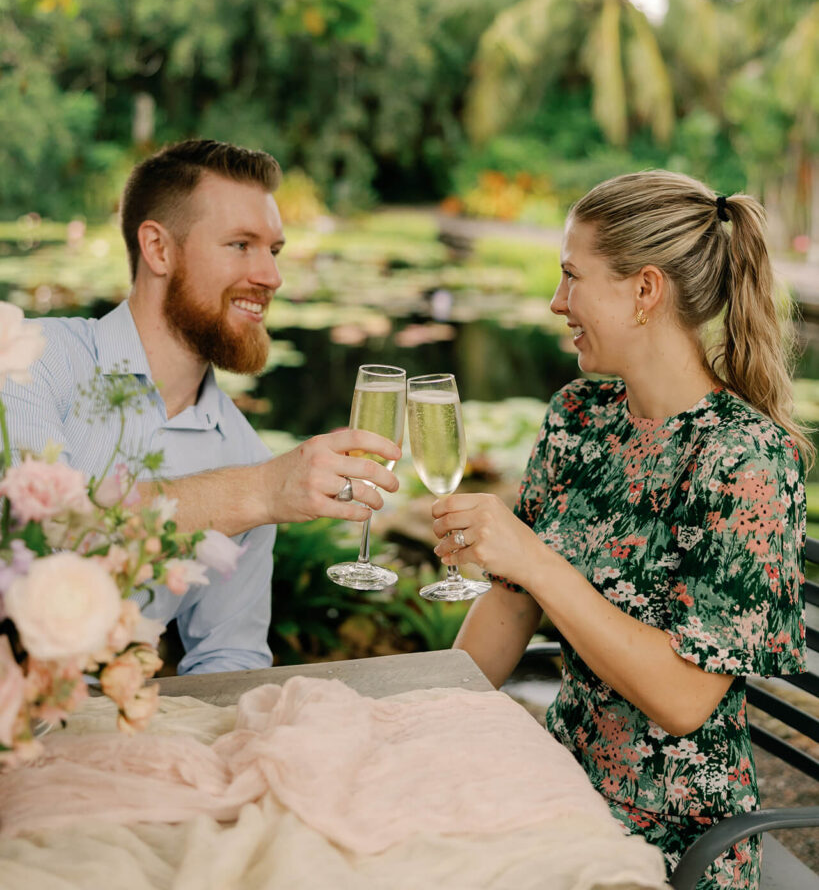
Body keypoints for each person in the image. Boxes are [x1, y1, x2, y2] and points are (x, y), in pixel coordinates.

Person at [429, 171, 810, 889]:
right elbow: (509, 604)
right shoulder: (581, 414)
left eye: (572, 277)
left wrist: (539, 562)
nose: (555, 301)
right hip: (559, 781)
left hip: (672, 833)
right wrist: (432, 717)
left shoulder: (745, 460)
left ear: (644, 290)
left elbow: (683, 700)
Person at [4, 139, 400, 674]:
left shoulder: (246, 453)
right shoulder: (27, 359)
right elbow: (36, 540)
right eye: (241, 245)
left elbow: (228, 652)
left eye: (274, 250)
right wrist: (258, 490)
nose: (270, 276)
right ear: (158, 249)